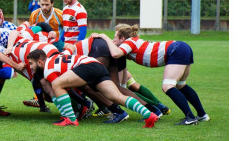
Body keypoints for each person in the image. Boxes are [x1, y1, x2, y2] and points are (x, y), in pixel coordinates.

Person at [92, 24, 209, 125]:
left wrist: (104, 36)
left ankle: (190, 118)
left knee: (168, 87)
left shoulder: (129, 42)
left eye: (115, 38)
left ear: (122, 38)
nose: (113, 41)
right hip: (180, 47)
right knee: (181, 85)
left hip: (176, 50)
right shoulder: (132, 42)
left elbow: (115, 53)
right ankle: (202, 115)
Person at [27, 49, 159, 128]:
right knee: (117, 96)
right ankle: (149, 114)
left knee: (56, 84)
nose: (31, 67)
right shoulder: (56, 57)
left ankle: (70, 119)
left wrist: (65, 113)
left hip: (86, 66)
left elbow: (56, 91)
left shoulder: (48, 70)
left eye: (31, 63)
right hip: (97, 65)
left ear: (40, 62)